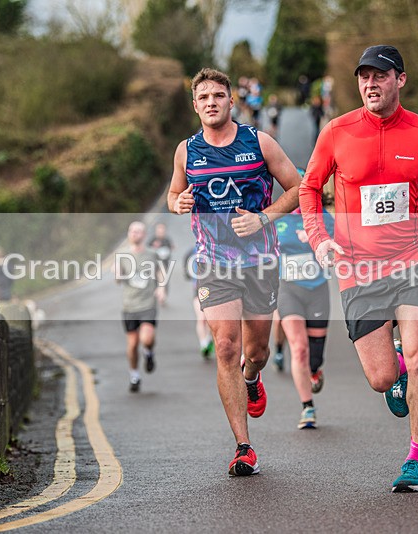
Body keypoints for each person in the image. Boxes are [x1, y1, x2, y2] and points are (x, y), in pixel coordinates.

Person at [299, 45, 418, 492]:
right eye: (364, 77)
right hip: (357, 268)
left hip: (413, 261)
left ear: (400, 79)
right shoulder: (337, 132)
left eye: (380, 76)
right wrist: (320, 239)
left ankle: (416, 460)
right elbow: (308, 189)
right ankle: (395, 368)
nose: (370, 84)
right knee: (382, 378)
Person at [167, 67, 300, 477]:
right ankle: (244, 446)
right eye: (203, 97)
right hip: (213, 262)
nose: (211, 102)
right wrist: (178, 204)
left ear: (231, 101)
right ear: (195, 106)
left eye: (218, 96)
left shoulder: (257, 142)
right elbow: (173, 194)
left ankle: (252, 377)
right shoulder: (186, 151)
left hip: (259, 261)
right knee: (226, 346)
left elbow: (299, 188)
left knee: (254, 351)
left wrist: (263, 218)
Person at [276, 203, 335, 429]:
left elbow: (338, 237)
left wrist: (314, 236)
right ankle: (307, 406)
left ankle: (315, 369)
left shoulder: (319, 215)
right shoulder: (277, 216)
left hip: (317, 288)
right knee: (299, 348)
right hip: (288, 289)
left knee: (314, 356)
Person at [115, 221, 165, 392]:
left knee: (147, 338)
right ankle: (134, 375)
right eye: (132, 231)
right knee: (132, 343)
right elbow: (117, 279)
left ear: (144, 235)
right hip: (129, 306)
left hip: (147, 303)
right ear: (129, 234)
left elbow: (160, 271)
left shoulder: (152, 254)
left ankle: (149, 353)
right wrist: (117, 273)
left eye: (138, 231)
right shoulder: (122, 254)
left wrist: (161, 287)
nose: (135, 234)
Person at [183, 246, 214, 359]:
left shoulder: (215, 249)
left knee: (211, 319)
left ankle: (209, 338)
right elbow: (186, 270)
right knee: (201, 318)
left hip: (215, 288)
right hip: (199, 288)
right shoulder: (191, 251)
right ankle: (203, 344)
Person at [149, 222, 174, 300]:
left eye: (162, 230)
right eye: (159, 230)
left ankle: (163, 295)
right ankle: (156, 294)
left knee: (165, 280)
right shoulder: (152, 240)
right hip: (155, 265)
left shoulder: (167, 240)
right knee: (155, 280)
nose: (161, 232)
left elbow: (171, 247)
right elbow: (147, 249)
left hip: (165, 264)